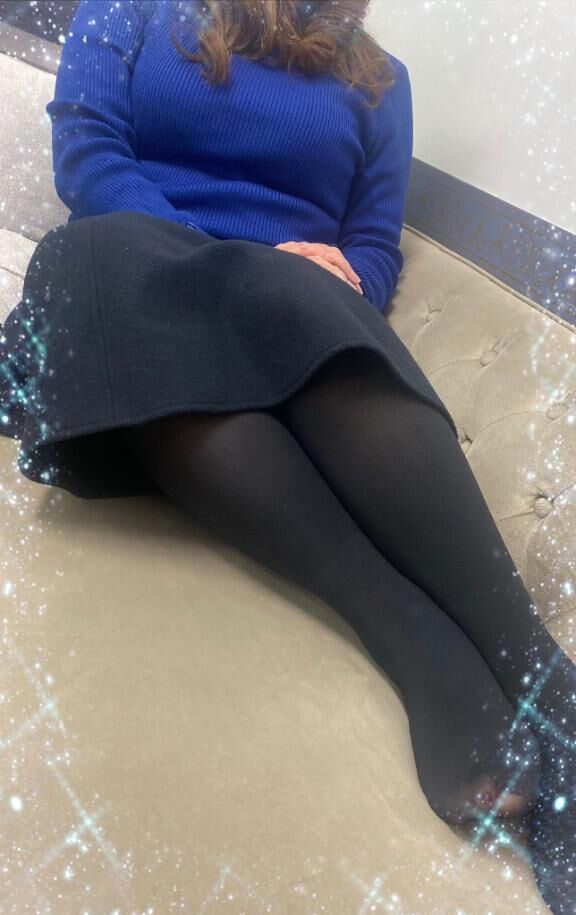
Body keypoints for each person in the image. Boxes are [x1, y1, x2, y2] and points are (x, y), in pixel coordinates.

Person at [0, 2, 574, 910]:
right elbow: (89, 159)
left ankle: (543, 675)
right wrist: (250, 259)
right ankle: (412, 635)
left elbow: (371, 251)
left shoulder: (381, 83)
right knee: (104, 257)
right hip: (127, 291)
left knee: (309, 306)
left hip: (288, 319)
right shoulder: (129, 10)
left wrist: (315, 277)